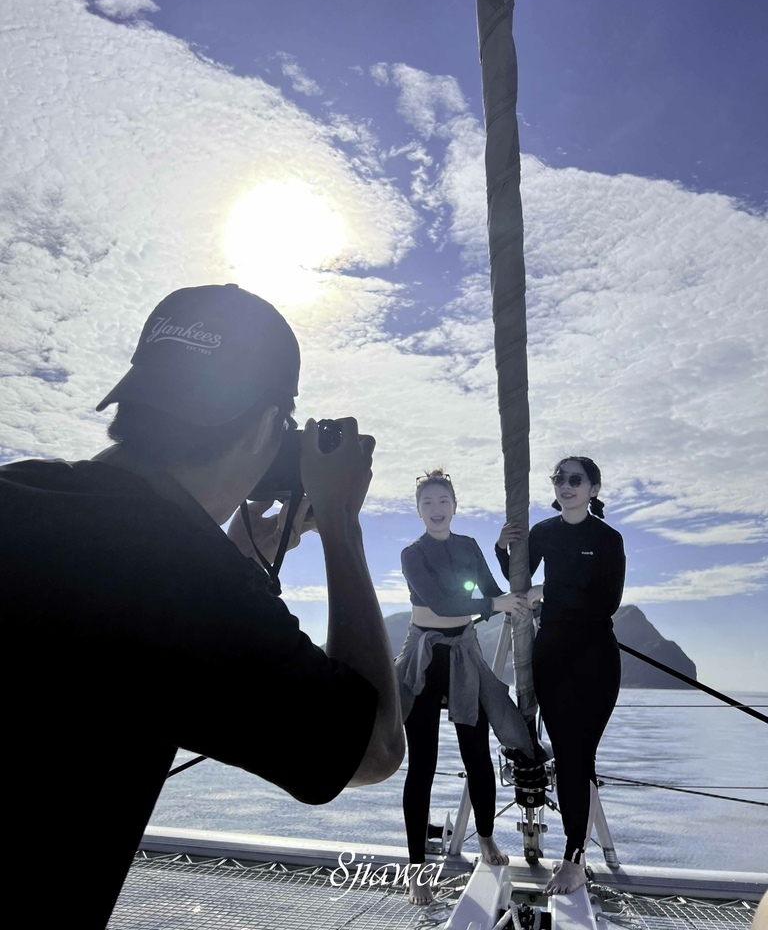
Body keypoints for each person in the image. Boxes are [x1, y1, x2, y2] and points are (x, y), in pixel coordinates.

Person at [0, 283, 404, 928]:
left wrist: (230, 556)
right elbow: (375, 748)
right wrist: (339, 522)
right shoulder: (188, 585)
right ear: (269, 430)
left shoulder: (18, 488)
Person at [395, 469, 533, 906]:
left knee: (476, 751)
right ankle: (416, 870)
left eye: (443, 502)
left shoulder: (469, 546)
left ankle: (487, 838)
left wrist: (500, 556)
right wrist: (494, 602)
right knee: (423, 764)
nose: (436, 510)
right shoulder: (411, 554)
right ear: (419, 510)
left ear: (455, 505)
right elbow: (440, 602)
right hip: (425, 654)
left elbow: (492, 595)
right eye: (428, 504)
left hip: (464, 653)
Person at [496, 456, 625, 895]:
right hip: (550, 656)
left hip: (594, 659)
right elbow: (520, 581)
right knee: (572, 756)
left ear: (593, 488)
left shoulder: (607, 539)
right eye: (560, 479)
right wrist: (502, 549)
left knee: (575, 755)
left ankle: (573, 860)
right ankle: (576, 854)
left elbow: (605, 601)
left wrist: (548, 591)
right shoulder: (544, 533)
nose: (566, 486)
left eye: (576, 479)